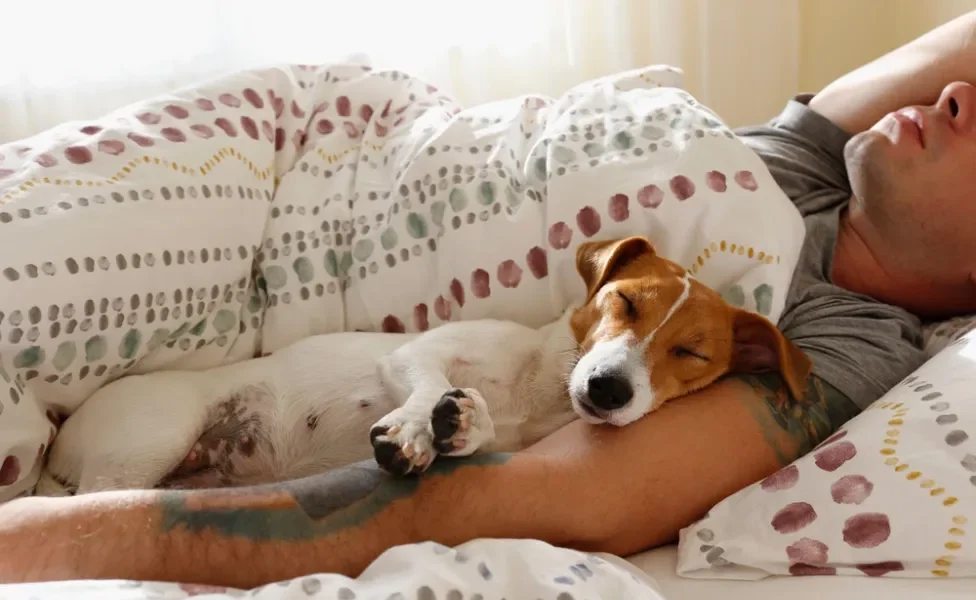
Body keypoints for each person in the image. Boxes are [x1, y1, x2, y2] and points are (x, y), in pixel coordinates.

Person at [3, 11, 976, 589]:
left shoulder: (844, 346)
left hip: (303, 366)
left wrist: (62, 540)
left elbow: (560, 497)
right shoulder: (812, 164)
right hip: (306, 165)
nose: (957, 94)